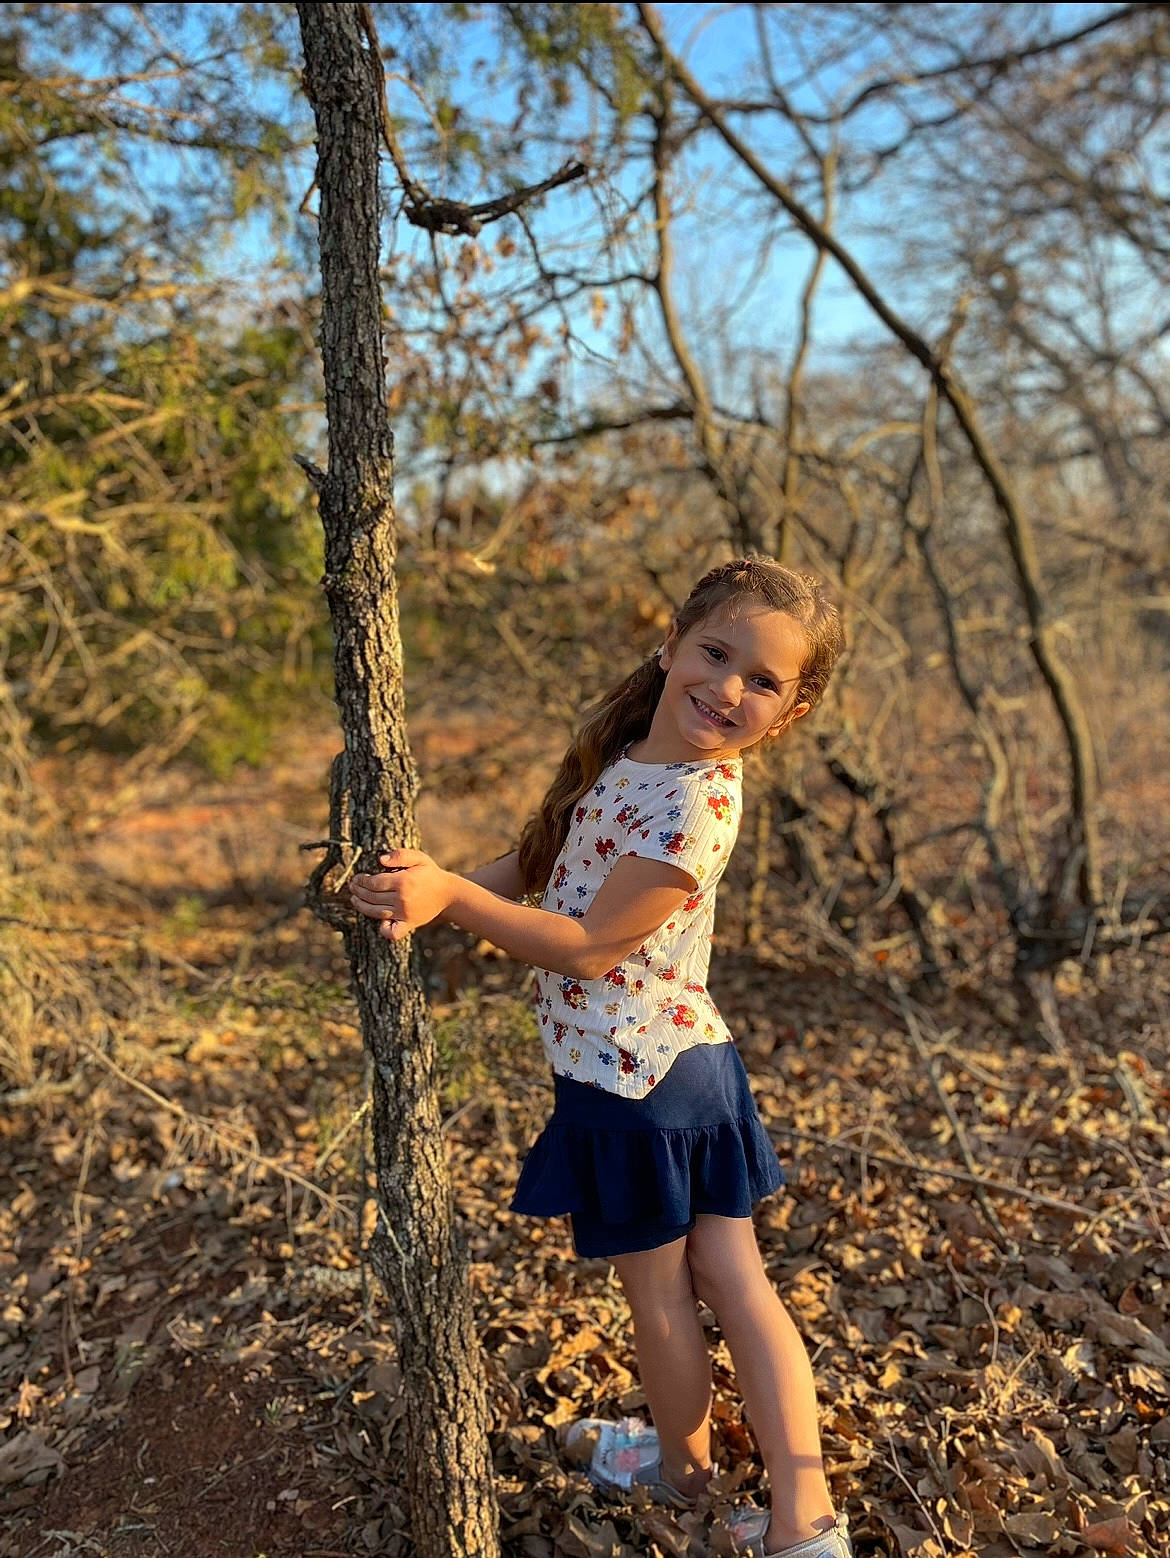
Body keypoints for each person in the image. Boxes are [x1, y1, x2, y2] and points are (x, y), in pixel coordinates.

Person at [349, 556, 852, 1558]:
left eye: (764, 680)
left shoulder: (697, 804)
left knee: (673, 1293)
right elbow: (540, 869)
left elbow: (586, 943)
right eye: (716, 653)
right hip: (684, 1065)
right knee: (733, 1279)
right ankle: (800, 1525)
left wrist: (452, 899)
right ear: (671, 646)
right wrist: (439, 888)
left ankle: (704, 1482)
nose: (729, 687)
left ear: (788, 714)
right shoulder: (629, 759)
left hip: (639, 1087)